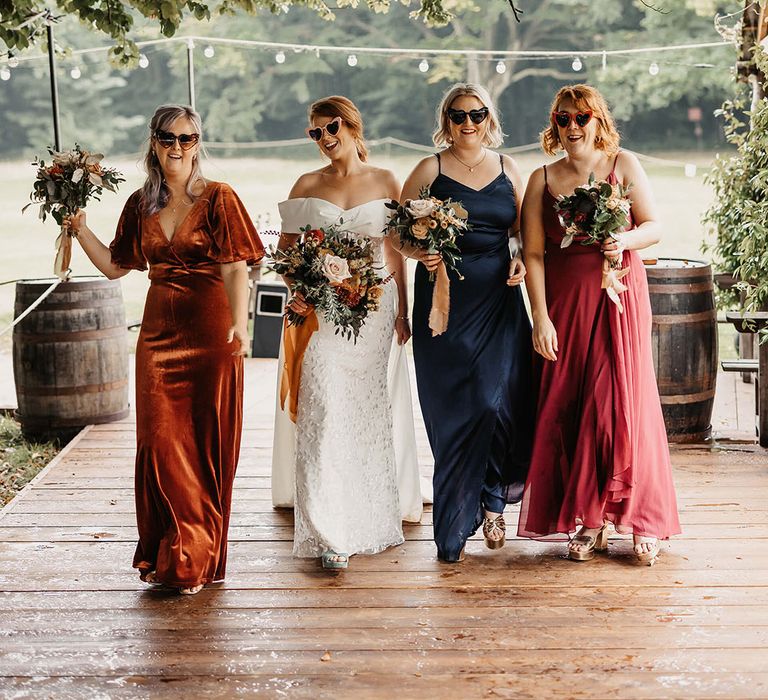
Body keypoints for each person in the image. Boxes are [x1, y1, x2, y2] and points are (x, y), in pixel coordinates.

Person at [67, 104, 264, 594]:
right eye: (168, 138)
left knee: (203, 445)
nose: (178, 148)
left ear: (199, 143)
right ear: (153, 142)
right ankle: (171, 550)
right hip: (157, 338)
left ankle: (191, 558)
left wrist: (239, 325)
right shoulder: (141, 204)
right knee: (159, 444)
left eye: (188, 138)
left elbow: (237, 266)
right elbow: (116, 267)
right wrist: (79, 227)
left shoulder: (220, 198)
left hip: (213, 331)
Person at [517, 84, 680, 564]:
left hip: (621, 296)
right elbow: (533, 253)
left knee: (621, 401)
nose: (571, 128)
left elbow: (655, 226)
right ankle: (587, 519)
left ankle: (639, 519)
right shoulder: (541, 179)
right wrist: (541, 317)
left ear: (598, 121)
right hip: (567, 303)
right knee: (571, 402)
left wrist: (624, 239)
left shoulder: (623, 164)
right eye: (563, 119)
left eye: (581, 118)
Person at [270, 95, 423, 570]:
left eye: (330, 127)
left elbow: (396, 249)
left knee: (363, 408)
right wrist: (303, 288)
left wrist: (403, 312)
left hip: (376, 308)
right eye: (314, 132)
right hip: (321, 310)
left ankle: (367, 513)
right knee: (324, 404)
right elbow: (287, 253)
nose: (324, 138)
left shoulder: (385, 181)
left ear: (352, 125)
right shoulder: (306, 184)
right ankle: (326, 528)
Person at [398, 83, 533, 563]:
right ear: (446, 121)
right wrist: (422, 250)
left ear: (489, 118)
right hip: (444, 305)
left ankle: (494, 500)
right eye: (458, 116)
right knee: (455, 410)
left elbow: (519, 231)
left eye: (476, 115)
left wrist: (517, 257)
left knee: (497, 402)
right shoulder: (427, 169)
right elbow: (400, 235)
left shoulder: (508, 167)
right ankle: (456, 518)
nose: (468, 124)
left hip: (498, 300)